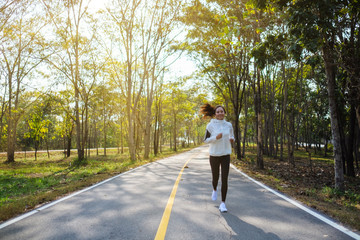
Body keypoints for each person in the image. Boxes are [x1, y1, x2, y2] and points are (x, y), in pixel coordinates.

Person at [200, 103, 234, 212]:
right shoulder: (210, 125)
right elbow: (205, 140)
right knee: (215, 177)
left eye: (222, 111)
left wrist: (232, 139)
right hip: (214, 155)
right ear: (215, 114)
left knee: (225, 179)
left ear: (224, 113)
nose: (220, 113)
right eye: (218, 111)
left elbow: (231, 135)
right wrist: (215, 137)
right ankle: (214, 188)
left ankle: (223, 203)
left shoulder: (229, 125)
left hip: (225, 155)